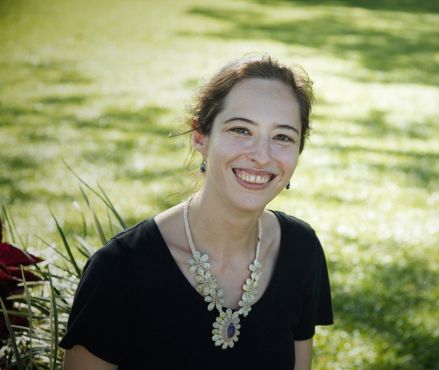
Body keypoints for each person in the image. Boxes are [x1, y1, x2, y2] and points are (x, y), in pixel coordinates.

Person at [60, 56, 334, 370]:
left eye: (282, 137)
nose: (262, 156)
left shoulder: (301, 249)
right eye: (241, 130)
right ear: (200, 137)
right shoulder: (120, 269)